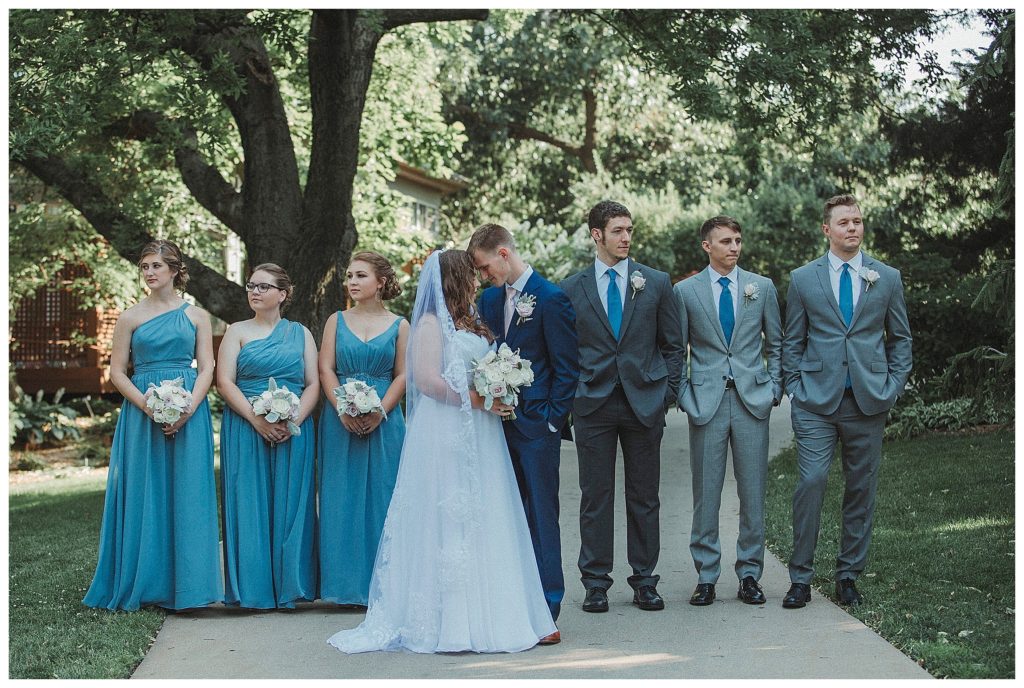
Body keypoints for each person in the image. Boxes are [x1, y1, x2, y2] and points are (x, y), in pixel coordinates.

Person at [328, 249, 555, 653]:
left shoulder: (472, 321)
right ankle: (448, 620)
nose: (477, 280)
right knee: (449, 510)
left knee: (485, 512)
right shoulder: (430, 325)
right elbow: (428, 382)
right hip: (447, 428)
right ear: (456, 278)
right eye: (471, 274)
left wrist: (499, 387)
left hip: (481, 431)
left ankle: (497, 614)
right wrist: (480, 399)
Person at [781, 194, 912, 609]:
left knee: (861, 488)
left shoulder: (886, 277)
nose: (852, 227)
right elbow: (792, 339)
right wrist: (795, 386)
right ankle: (800, 578)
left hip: (868, 401)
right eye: (844, 222)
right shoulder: (803, 278)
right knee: (812, 482)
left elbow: (901, 339)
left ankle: (848, 575)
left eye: (857, 221)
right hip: (815, 402)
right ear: (827, 229)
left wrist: (892, 387)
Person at [83, 239, 222, 610]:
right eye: (144, 266)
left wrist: (188, 408)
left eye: (156, 266)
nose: (149, 272)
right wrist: (149, 406)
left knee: (188, 492)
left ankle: (190, 588)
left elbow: (207, 368)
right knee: (146, 492)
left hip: (189, 409)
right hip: (142, 412)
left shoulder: (197, 316)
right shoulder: (129, 317)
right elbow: (116, 372)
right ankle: (146, 583)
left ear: (175, 270)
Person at [560, 201, 684, 613]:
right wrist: (574, 395)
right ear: (596, 234)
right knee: (594, 497)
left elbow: (673, 345)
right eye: (617, 230)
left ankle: (645, 581)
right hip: (592, 404)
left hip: (644, 402)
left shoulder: (656, 282)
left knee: (644, 496)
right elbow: (564, 350)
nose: (626, 237)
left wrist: (666, 394)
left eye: (629, 229)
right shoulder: (571, 288)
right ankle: (596, 583)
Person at [468, 224, 578, 642]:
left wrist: (551, 421)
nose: (483, 277)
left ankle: (547, 609)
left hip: (536, 427)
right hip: (494, 427)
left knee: (541, 515)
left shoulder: (551, 298)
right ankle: (511, 605)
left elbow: (567, 368)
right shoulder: (489, 300)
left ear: (503, 253)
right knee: (504, 514)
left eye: (484, 267)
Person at [673, 216, 782, 607]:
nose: (734, 247)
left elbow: (777, 343)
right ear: (707, 246)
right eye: (725, 241)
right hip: (707, 403)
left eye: (737, 240)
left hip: (752, 401)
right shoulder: (685, 292)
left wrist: (774, 388)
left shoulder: (761, 287)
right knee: (706, 494)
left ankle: (750, 574)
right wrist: (684, 394)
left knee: (753, 494)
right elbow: (676, 349)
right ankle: (706, 576)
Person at [217, 263, 320, 609]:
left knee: (291, 506)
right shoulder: (236, 331)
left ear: (283, 294)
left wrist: (293, 421)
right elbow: (224, 383)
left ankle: (291, 586)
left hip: (294, 427)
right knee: (249, 504)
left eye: (263, 286)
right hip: (245, 427)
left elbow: (313, 384)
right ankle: (253, 591)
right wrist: (256, 420)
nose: (255, 292)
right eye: (251, 286)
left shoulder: (301, 333)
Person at [317, 251, 408, 606]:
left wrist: (380, 411)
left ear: (381, 282)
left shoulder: (400, 325)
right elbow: (326, 368)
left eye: (360, 276)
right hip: (340, 419)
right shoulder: (336, 321)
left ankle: (385, 585)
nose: (352, 282)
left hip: (386, 419)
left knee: (385, 496)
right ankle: (344, 586)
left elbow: (403, 374)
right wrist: (342, 407)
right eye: (350, 276)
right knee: (341, 497)